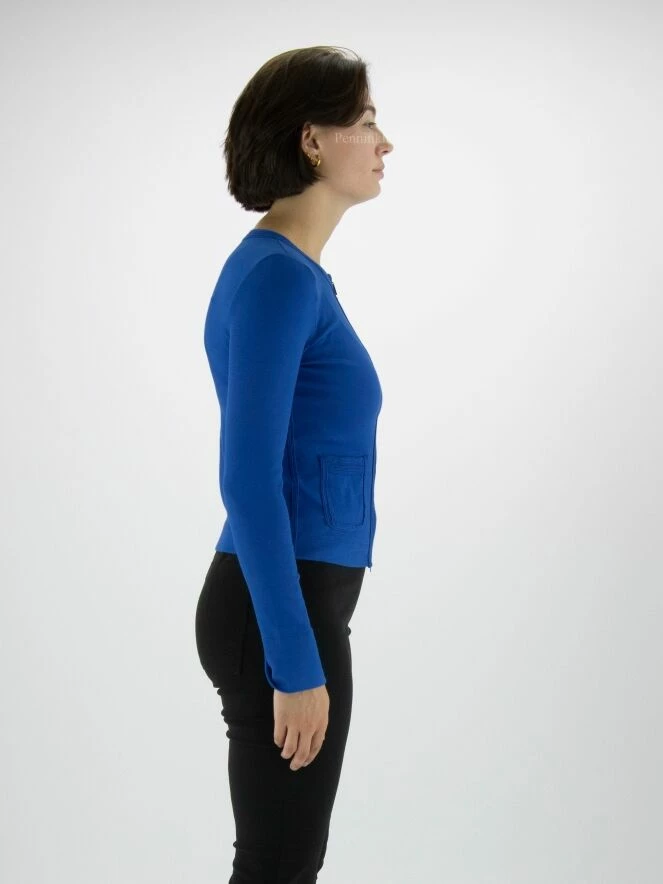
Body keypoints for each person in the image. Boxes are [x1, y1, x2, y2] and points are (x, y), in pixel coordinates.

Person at [195, 44, 394, 882]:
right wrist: (297, 663)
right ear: (312, 140)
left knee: (284, 864)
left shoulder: (296, 274)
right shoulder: (276, 277)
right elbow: (247, 479)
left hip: (292, 605)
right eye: (366, 121)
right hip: (280, 612)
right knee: (278, 868)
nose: (384, 142)